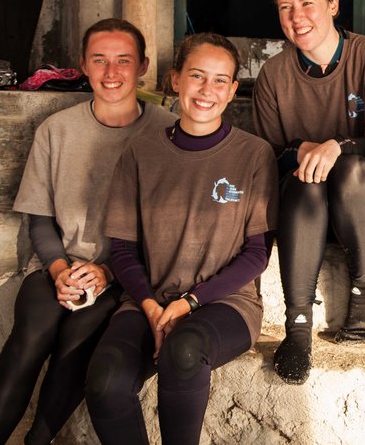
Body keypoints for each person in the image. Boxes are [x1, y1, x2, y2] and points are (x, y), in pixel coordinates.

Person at [0, 19, 175, 445]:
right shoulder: (57, 130)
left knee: (76, 343)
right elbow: (40, 218)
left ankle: (37, 441)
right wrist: (60, 268)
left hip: (126, 276)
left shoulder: (167, 132)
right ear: (83, 65)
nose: (111, 72)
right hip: (58, 267)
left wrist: (107, 272)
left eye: (123, 60)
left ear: (142, 67)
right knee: (30, 337)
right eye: (99, 60)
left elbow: (168, 229)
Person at [85, 33, 278, 445]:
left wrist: (188, 303)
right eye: (197, 76)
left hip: (226, 304)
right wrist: (154, 306)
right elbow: (121, 248)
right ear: (175, 80)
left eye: (220, 80)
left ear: (232, 91)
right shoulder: (140, 152)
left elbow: (257, 253)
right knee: (105, 381)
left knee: (185, 352)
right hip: (147, 299)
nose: (207, 90)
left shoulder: (254, 154)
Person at [252, 0, 365, 385]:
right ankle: (298, 326)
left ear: (333, 4)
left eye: (306, 2)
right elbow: (267, 152)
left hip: (361, 206)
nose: (296, 17)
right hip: (305, 210)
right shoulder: (274, 75)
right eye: (285, 7)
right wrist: (301, 151)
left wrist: (339, 146)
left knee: (353, 168)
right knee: (304, 183)